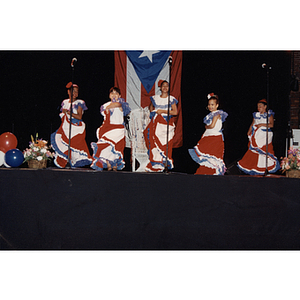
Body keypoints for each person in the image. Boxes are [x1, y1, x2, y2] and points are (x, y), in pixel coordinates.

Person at [51, 82, 92, 168]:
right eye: (73, 91)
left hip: (75, 127)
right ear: (68, 92)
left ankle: (74, 162)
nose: (75, 94)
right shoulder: (65, 102)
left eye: (77, 92)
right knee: (61, 141)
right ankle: (65, 161)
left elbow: (79, 116)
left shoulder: (79, 102)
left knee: (74, 145)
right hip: (66, 126)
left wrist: (69, 112)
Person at [91, 87, 130, 171]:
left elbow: (118, 105)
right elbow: (104, 113)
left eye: (116, 93)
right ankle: (108, 164)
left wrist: (109, 107)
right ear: (109, 95)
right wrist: (108, 106)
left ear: (119, 95)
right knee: (107, 146)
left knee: (116, 147)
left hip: (118, 129)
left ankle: (115, 165)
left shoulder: (121, 103)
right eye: (112, 93)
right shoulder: (105, 105)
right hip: (108, 129)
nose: (114, 95)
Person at [237, 98, 280, 175]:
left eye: (260, 106)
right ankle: (256, 168)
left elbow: (271, 125)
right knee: (255, 152)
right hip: (257, 135)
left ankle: (265, 169)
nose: (258, 108)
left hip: (265, 135)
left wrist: (261, 125)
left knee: (264, 151)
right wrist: (248, 132)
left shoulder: (269, 115)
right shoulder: (256, 115)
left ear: (265, 107)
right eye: (258, 106)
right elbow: (252, 124)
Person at [188, 93, 228, 175]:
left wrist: (207, 126)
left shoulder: (217, 114)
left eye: (212, 104)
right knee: (207, 155)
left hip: (214, 137)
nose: (210, 106)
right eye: (209, 104)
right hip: (209, 136)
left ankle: (212, 172)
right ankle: (205, 171)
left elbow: (212, 125)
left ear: (217, 105)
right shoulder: (211, 115)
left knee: (211, 155)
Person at [143, 80, 178, 172]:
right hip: (156, 122)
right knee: (152, 139)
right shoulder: (155, 98)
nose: (165, 87)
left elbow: (175, 112)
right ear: (160, 88)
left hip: (166, 123)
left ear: (169, 88)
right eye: (163, 86)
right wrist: (153, 113)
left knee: (165, 143)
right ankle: (155, 163)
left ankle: (164, 163)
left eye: (167, 86)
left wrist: (162, 111)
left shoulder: (171, 99)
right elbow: (151, 107)